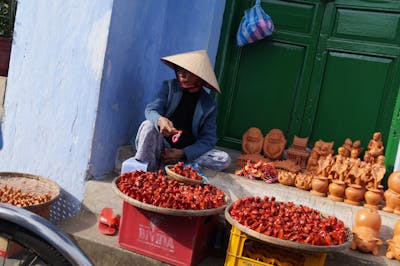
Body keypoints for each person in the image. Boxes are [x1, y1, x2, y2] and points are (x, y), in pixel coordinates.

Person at [130, 50, 231, 172]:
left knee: (223, 159)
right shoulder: (169, 87)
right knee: (148, 126)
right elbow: (151, 109)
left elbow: (208, 140)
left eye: (188, 72)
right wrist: (160, 120)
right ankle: (148, 171)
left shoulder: (208, 105)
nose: (182, 75)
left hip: (185, 153)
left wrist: (184, 153)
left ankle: (173, 166)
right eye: (179, 70)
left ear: (200, 78)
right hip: (161, 146)